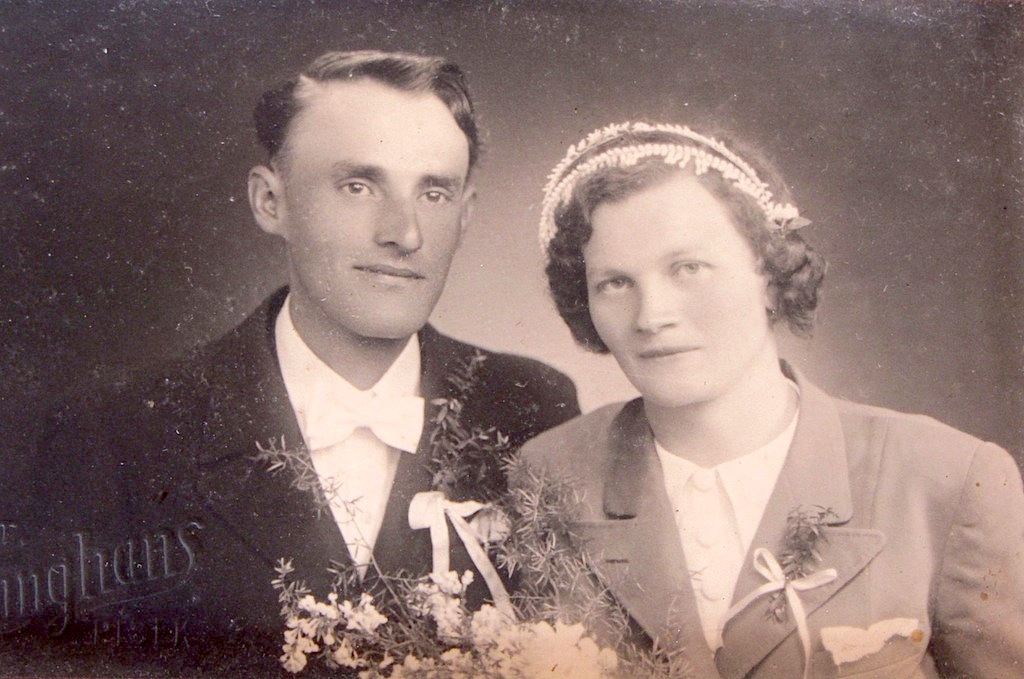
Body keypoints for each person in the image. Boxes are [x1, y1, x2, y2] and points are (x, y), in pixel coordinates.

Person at [15, 50, 578, 669]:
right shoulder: (115, 435)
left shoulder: (535, 407)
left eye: (435, 192)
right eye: (358, 185)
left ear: (466, 214)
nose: (405, 233)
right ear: (270, 201)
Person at [519, 121, 1024, 678]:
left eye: (688, 268)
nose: (652, 316)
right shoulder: (549, 474)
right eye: (615, 282)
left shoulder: (947, 479)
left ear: (768, 271)